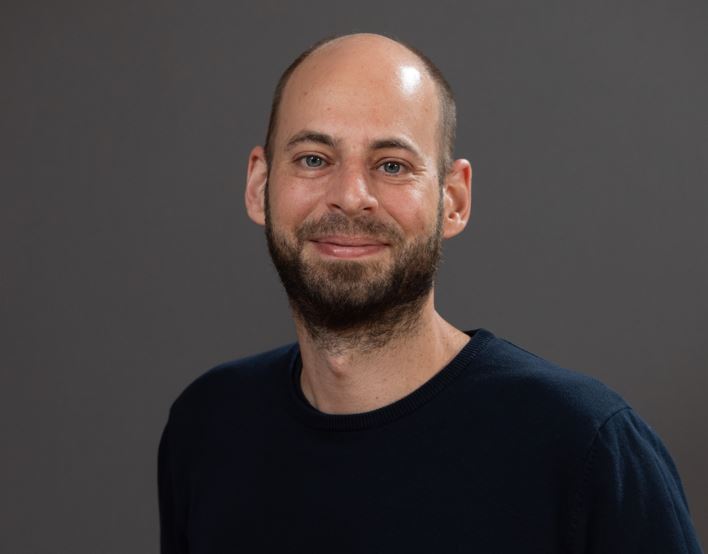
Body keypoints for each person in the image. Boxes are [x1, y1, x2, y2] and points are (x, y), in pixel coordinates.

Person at [157, 33, 703, 553]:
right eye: (314, 159)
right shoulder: (209, 428)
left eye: (392, 165)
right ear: (259, 186)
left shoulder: (584, 445)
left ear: (454, 201)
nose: (350, 195)